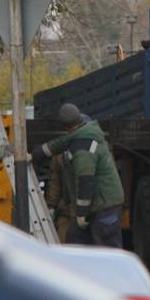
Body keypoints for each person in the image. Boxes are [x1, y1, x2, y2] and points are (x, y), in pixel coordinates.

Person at [31, 104, 125, 247]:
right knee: (75, 240)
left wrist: (81, 214)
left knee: (106, 248)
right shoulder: (82, 134)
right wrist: (35, 154)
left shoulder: (84, 149)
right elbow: (57, 144)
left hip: (104, 206)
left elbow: (85, 181)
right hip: (98, 205)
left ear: (66, 126)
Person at [43, 153, 73, 242]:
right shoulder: (59, 156)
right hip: (68, 211)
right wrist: (51, 205)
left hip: (90, 212)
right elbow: (55, 183)